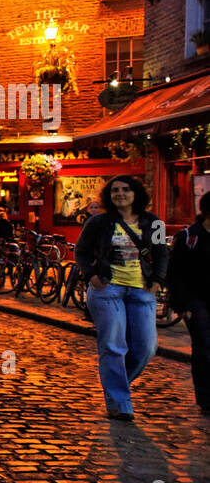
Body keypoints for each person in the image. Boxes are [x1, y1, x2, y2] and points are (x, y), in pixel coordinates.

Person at [75, 174, 168, 421]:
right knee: (114, 346)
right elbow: (81, 252)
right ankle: (119, 403)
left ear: (136, 193)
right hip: (108, 290)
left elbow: (161, 254)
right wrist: (92, 276)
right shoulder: (98, 223)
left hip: (142, 290)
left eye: (126, 189)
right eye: (115, 190)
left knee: (146, 347)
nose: (120, 194)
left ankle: (116, 387)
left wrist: (158, 281)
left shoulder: (154, 222)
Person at [169, 191, 210, 415]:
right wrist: (181, 304)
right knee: (204, 347)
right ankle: (205, 398)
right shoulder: (189, 237)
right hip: (196, 299)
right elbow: (176, 272)